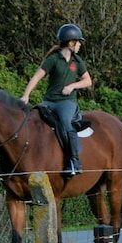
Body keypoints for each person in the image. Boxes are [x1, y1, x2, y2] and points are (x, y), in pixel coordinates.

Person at [22, 24, 93, 177]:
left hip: (67, 103)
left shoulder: (77, 61)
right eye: (78, 42)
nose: (80, 45)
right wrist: (26, 95)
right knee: (32, 120)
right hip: (49, 101)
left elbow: (88, 81)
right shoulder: (53, 59)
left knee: (66, 124)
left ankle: (74, 162)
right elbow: (36, 77)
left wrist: (72, 86)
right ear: (70, 42)